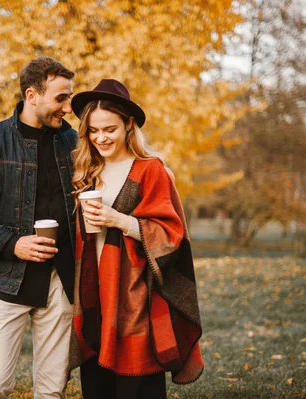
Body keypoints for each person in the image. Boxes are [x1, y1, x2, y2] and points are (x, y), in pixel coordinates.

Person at [0, 56, 78, 399]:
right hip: (5, 279)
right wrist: (12, 244)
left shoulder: (74, 143)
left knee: (52, 391)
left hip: (60, 280)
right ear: (31, 96)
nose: (68, 107)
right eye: (60, 98)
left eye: (69, 97)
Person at [68, 79, 204, 399]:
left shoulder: (150, 170)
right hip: (93, 292)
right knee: (97, 384)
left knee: (136, 382)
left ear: (129, 125)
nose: (101, 137)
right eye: (93, 130)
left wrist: (120, 221)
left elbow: (172, 235)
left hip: (135, 296)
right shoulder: (85, 170)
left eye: (110, 129)